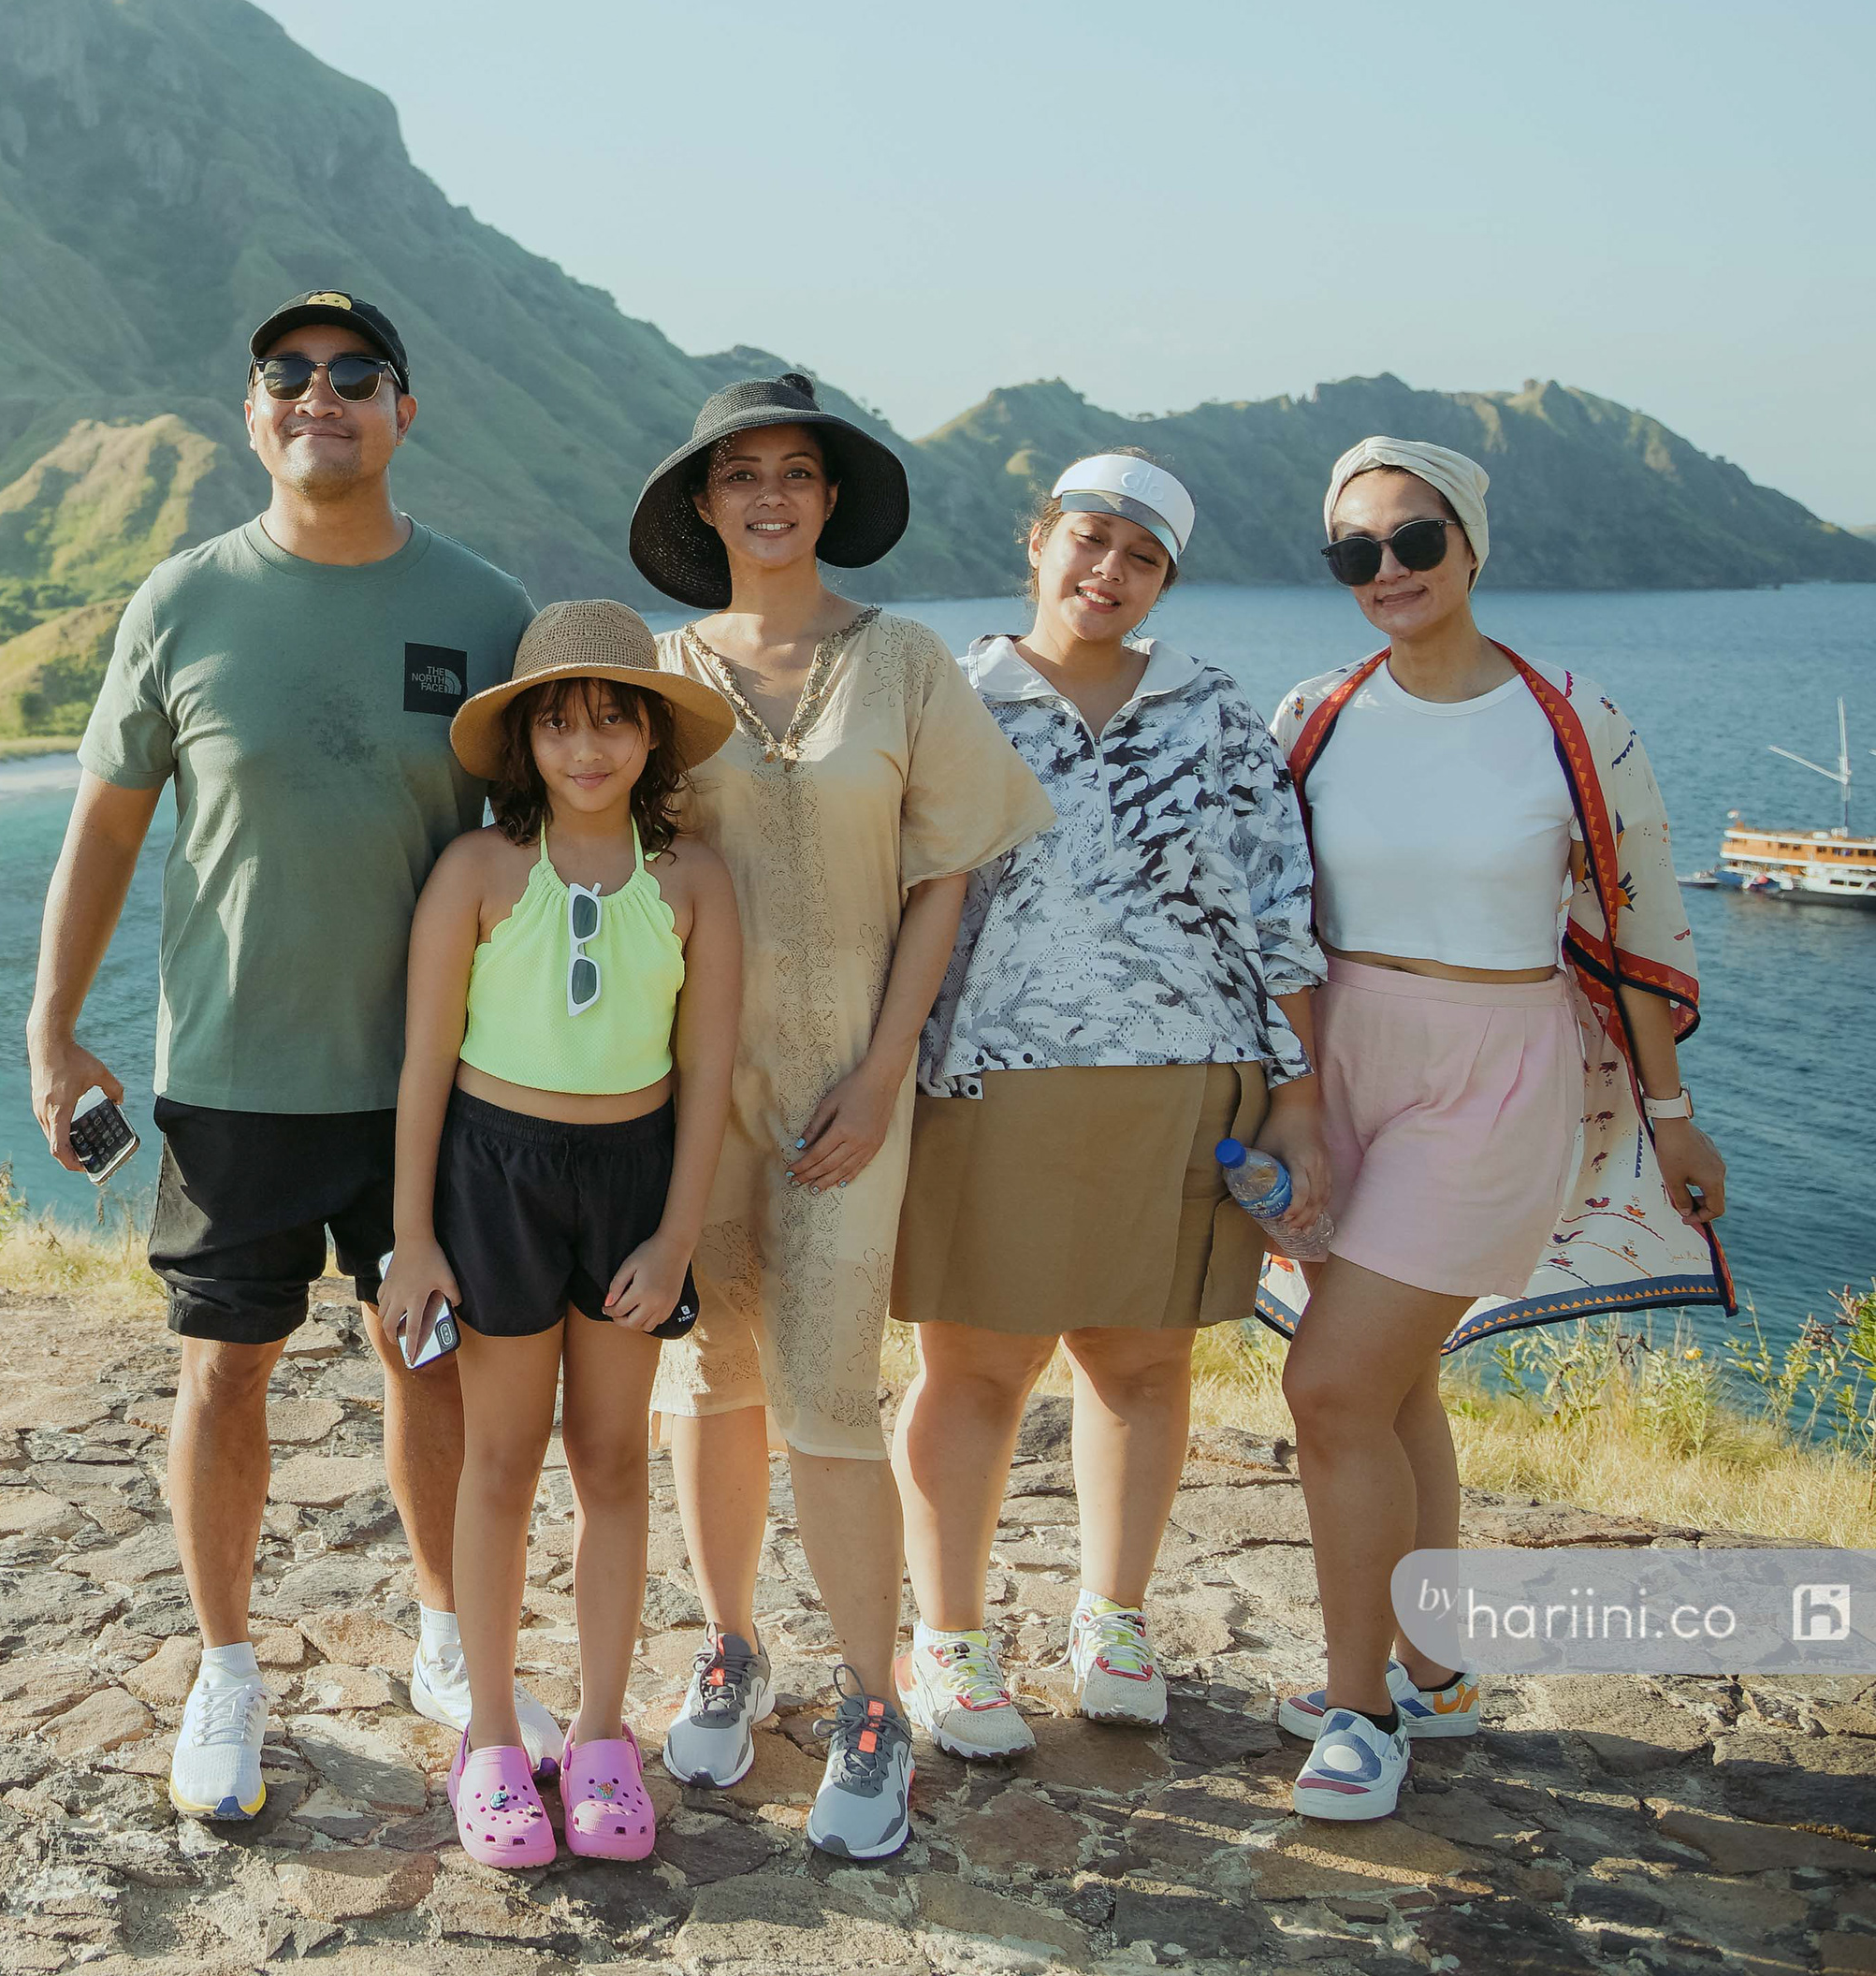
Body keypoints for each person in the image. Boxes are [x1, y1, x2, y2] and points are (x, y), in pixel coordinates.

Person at [27, 290, 546, 1828]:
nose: (321, 394)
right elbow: (106, 826)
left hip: (434, 1082)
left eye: (355, 374)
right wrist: (52, 1027)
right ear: (252, 414)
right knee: (223, 1368)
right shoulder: (181, 599)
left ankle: (446, 1639)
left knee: (427, 1356)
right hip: (234, 1074)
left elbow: (560, 832)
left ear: (403, 411)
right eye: (288, 374)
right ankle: (227, 1668)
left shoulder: (486, 609)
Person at [623, 371, 1054, 1862]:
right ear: (703, 501)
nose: (770, 495)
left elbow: (946, 873)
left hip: (847, 1092)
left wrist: (884, 1068)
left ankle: (875, 1702)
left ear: (829, 497)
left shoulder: (906, 661)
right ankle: (731, 1644)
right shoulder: (660, 671)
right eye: (740, 472)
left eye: (796, 471)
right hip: (686, 1088)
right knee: (706, 1378)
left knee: (828, 1386)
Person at [1263, 437, 1725, 1823]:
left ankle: (1359, 1712)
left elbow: (1634, 927)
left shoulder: (1571, 718)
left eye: (1415, 539)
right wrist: (1286, 1093)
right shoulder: (1316, 712)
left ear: (1472, 545)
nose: (1388, 569)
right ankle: (1437, 1671)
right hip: (1342, 1061)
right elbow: (1271, 911)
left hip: (1494, 1074)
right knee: (1393, 1384)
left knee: (1330, 1390)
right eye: (1356, 550)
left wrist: (1675, 1118)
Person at [891, 453, 1332, 1764]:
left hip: (1188, 1076)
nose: (1109, 572)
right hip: (990, 1073)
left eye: (1143, 558)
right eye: (1089, 539)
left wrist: (1299, 1096)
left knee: (1140, 1365)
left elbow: (1280, 909)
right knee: (976, 1369)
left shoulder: (1214, 712)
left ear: (1165, 582)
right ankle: (949, 1637)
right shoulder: (953, 697)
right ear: (1037, 543)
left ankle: (1114, 1619)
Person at [375, 601, 742, 1869]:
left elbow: (708, 1071)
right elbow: (424, 1062)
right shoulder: (479, 873)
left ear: (653, 738)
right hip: (494, 1177)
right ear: (526, 741)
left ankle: (597, 1733)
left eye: (614, 721)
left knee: (613, 1459)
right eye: (561, 723)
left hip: (633, 1182)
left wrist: (677, 1235)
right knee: (499, 1460)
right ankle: (488, 1735)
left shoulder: (691, 880)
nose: (587, 748)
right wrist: (413, 1236)